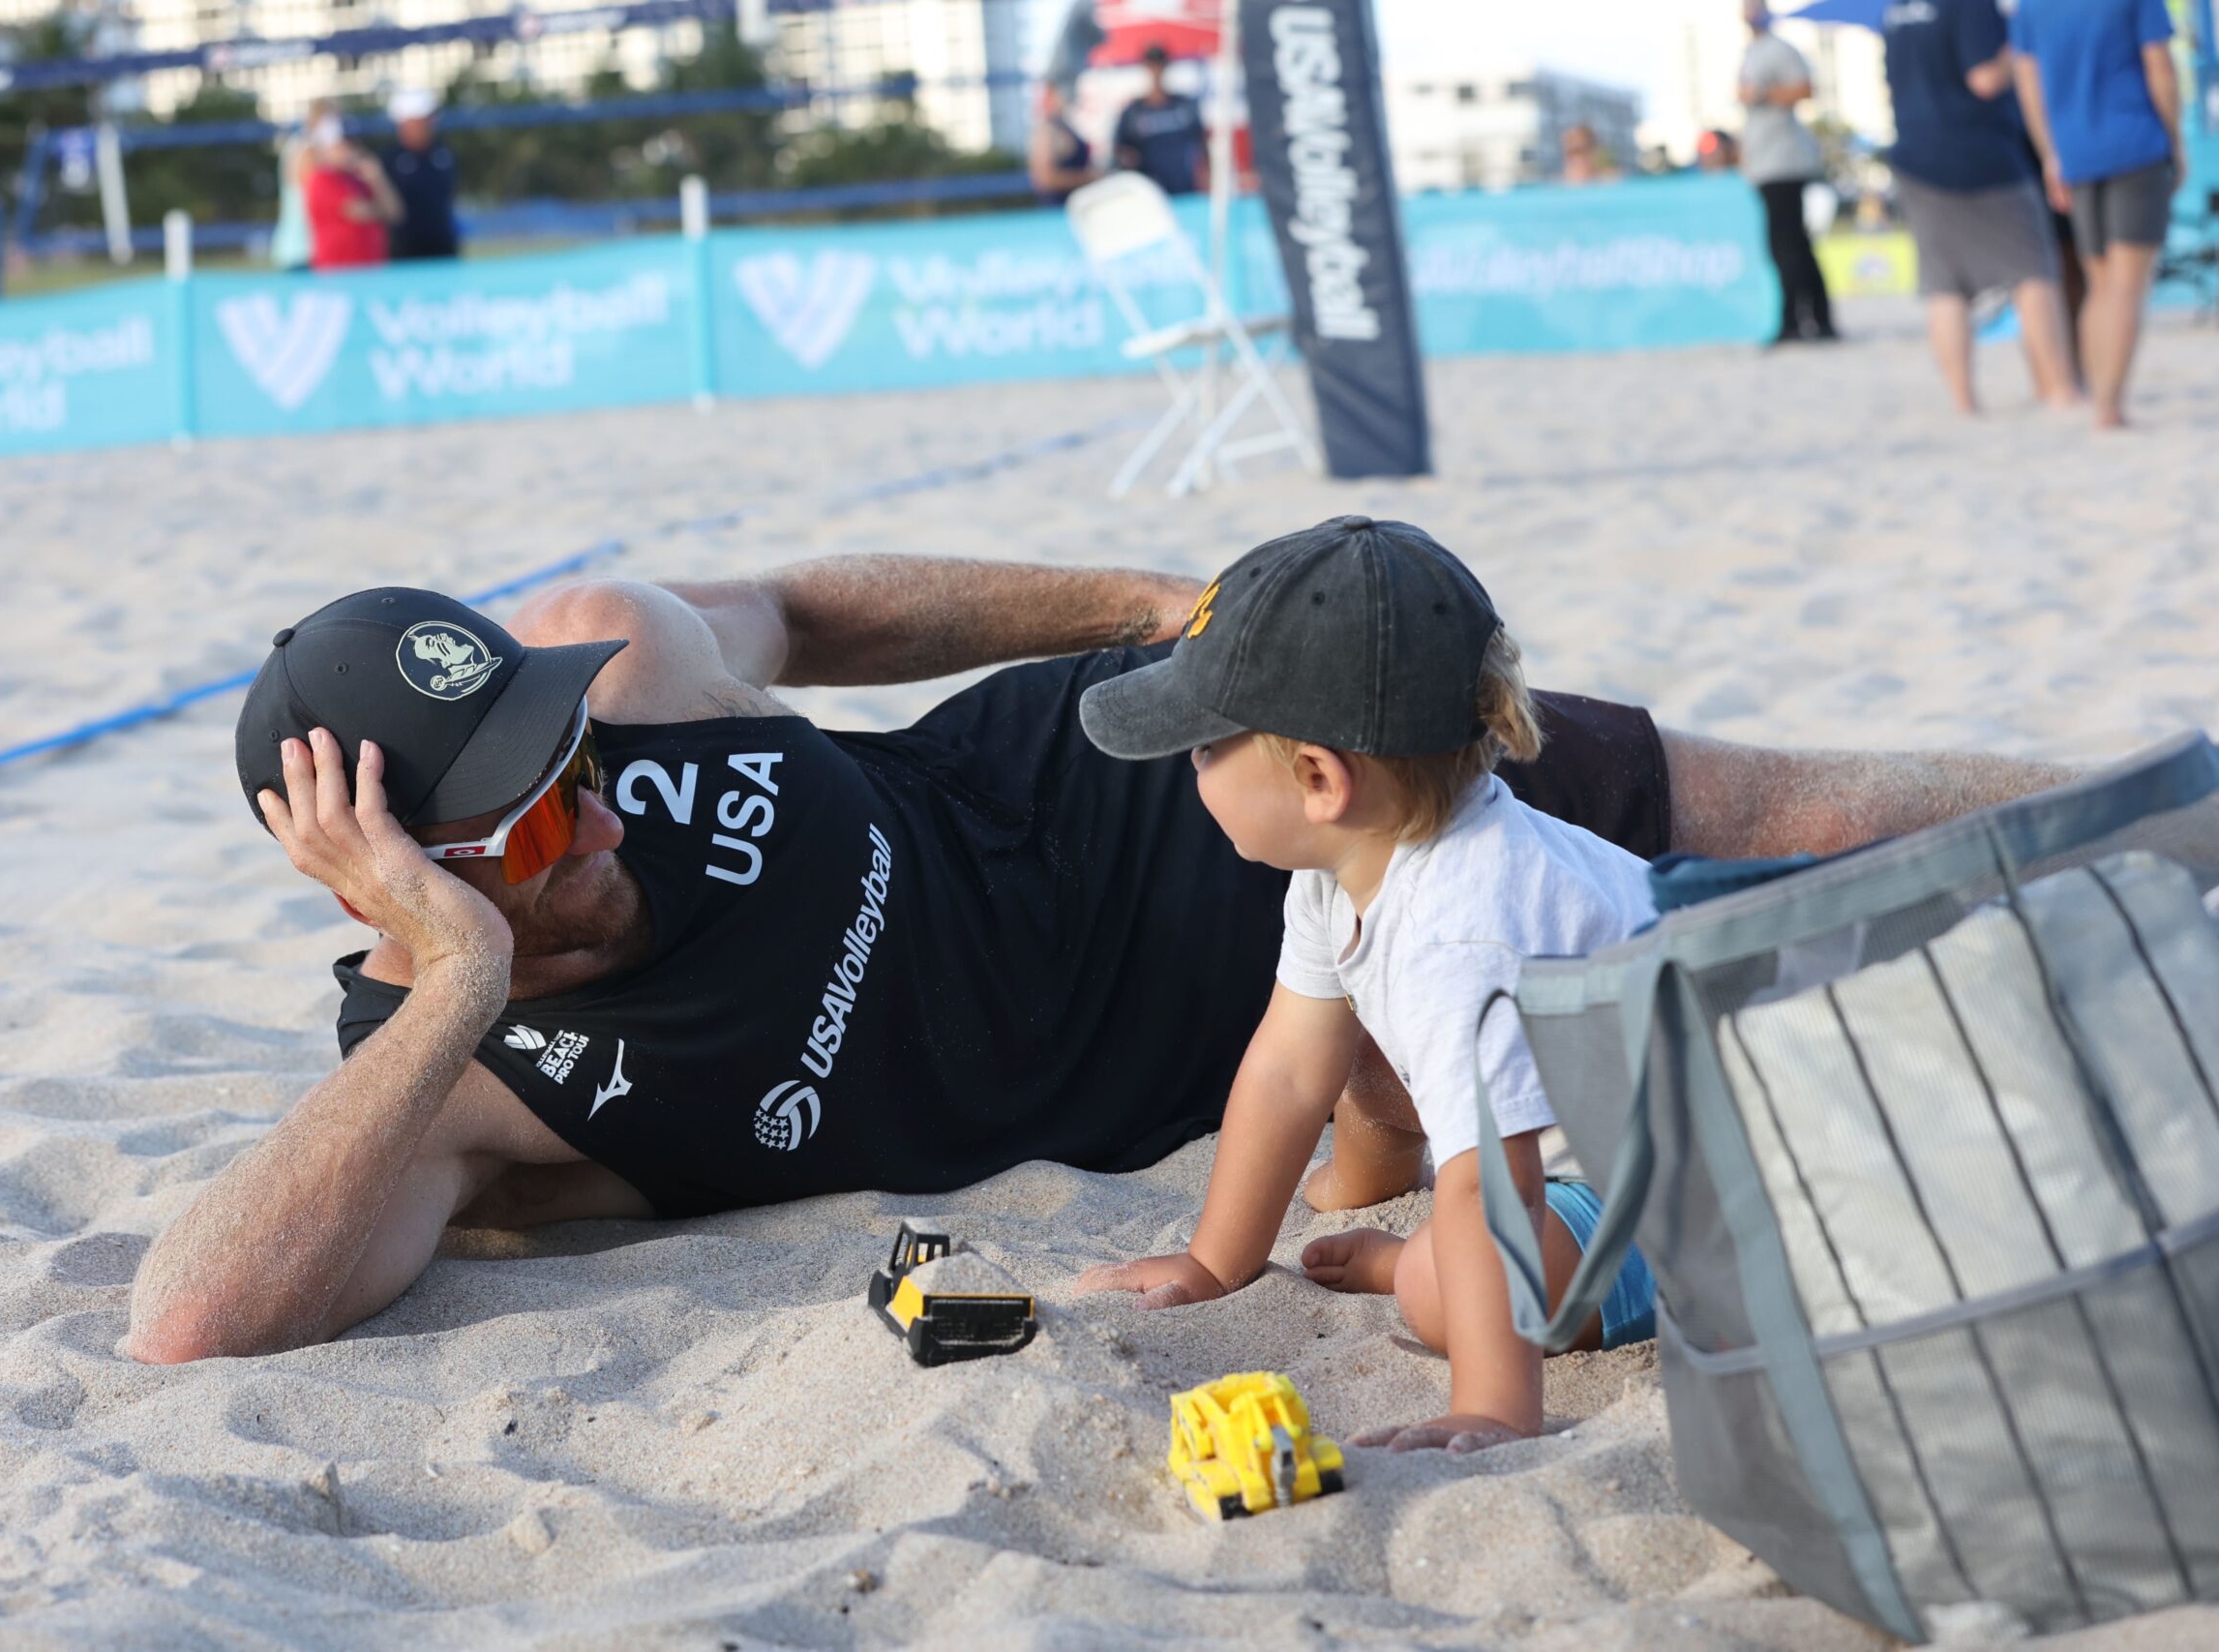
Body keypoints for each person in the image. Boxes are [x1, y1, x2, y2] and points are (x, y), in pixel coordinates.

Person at [122, 553, 2082, 1366]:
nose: (604, 813)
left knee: (1765, 804)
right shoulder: (463, 1091)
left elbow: (805, 606)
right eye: (539, 828)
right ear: (391, 887)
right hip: (1226, 1028)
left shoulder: (612, 671)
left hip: (1145, 776)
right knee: (1712, 981)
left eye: (575, 763)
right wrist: (458, 977)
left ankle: (2173, 819)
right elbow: (189, 1321)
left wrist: (1147, 606)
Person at [1073, 520, 1659, 1453]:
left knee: (1437, 1285)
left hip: (1697, 1195)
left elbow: (1493, 1189)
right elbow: (1288, 1069)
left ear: (1318, 778)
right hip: (1605, 1148)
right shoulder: (1343, 869)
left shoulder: (1459, 930)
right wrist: (1214, 1262)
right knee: (1446, 1244)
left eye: (1204, 746)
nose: (1191, 766)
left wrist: (1492, 1407)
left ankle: (1406, 1269)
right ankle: (1411, 1260)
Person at [1880, 0, 2080, 414]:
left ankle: (1964, 402)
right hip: (1981, 155)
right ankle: (2059, 390)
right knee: (2032, 270)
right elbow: (1985, 78)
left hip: (1914, 155)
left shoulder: (1897, 10)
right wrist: (2021, 44)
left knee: (1944, 285)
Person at [2009, 0, 2186, 428]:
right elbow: (2161, 71)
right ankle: (2109, 406)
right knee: (2127, 288)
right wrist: (2176, 142)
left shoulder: (2031, 7)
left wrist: (2050, 154)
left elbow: (2029, 85)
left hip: (2076, 156)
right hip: (2137, 147)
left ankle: (2096, 394)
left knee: (2099, 285)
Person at [1739, 2, 1839, 344]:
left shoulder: (1779, 49)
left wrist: (1761, 93)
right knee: (1791, 245)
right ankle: (1817, 320)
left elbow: (1805, 88)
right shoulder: (1751, 52)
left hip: (1783, 162)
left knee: (1788, 247)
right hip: (1765, 164)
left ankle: (1797, 321)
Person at [304, 115, 404, 273]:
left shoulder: (360, 177)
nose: (351, 149)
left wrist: (378, 179)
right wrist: (380, 210)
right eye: (343, 144)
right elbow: (358, 212)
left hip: (371, 269)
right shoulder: (321, 179)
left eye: (352, 143)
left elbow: (395, 212)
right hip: (338, 272)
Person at [1113, 44, 1207, 196]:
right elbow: (1120, 150)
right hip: (1150, 195)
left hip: (1185, 190)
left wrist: (1205, 178)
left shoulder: (1183, 106)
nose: (1156, 70)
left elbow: (1202, 145)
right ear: (1146, 67)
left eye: (1159, 64)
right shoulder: (1133, 112)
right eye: (1152, 65)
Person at [382, 86, 463, 262]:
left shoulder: (443, 153)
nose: (427, 125)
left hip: (443, 248)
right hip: (405, 253)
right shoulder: (390, 160)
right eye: (421, 120)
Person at [270, 101, 335, 273]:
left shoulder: (301, 146)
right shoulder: (306, 149)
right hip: (302, 247)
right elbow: (312, 188)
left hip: (303, 246)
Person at [1030, 80, 1098, 206]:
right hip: (1059, 209)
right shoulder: (1048, 130)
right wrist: (1089, 178)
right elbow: (1045, 178)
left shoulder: (1069, 125)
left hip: (1077, 205)